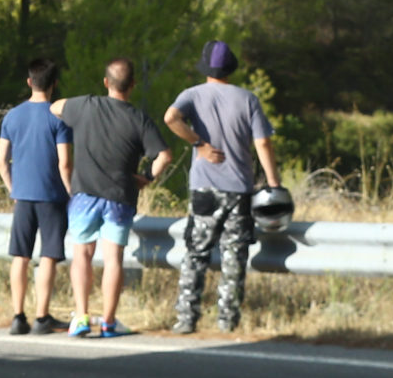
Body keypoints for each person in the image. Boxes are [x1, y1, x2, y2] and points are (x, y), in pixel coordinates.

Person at [164, 39, 282, 333]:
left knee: (196, 253)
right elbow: (263, 142)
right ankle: (227, 321)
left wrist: (199, 145)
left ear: (205, 67)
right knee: (234, 256)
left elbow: (170, 118)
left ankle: (186, 319)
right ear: (230, 68)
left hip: (204, 187)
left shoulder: (192, 95)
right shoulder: (248, 99)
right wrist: (273, 182)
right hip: (239, 189)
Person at [52, 57, 171, 338]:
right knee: (113, 259)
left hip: (84, 193)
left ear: (106, 82)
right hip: (120, 195)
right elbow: (164, 156)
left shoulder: (86, 106)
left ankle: (81, 317)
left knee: (82, 254)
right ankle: (108, 321)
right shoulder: (138, 119)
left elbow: (55, 107)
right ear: (132, 85)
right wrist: (147, 177)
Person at [0, 57, 73, 335]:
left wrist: (12, 188)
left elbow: (1, 161)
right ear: (54, 85)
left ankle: (18, 316)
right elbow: (65, 163)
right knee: (49, 256)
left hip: (23, 196)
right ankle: (42, 318)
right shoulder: (58, 118)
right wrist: (70, 191)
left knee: (20, 256)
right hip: (52, 196)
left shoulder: (12, 116)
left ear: (29, 82)